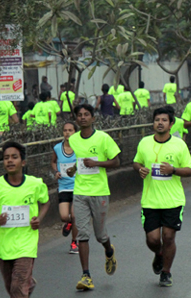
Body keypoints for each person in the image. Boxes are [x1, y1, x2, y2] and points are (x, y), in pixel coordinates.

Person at [132, 106, 191, 287]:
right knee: (152, 239)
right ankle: (159, 254)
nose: (160, 123)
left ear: (171, 124)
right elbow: (136, 162)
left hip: (173, 200)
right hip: (150, 200)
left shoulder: (179, 145)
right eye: (157, 120)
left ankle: (166, 272)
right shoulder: (144, 142)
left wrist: (173, 170)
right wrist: (140, 169)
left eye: (164, 120)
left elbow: (190, 170)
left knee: (168, 237)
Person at [0, 142, 50, 298]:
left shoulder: (35, 184)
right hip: (3, 245)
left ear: (23, 162)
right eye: (6, 158)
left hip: (26, 243)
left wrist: (38, 219)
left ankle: (24, 285)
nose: (10, 161)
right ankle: (29, 283)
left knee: (17, 289)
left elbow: (46, 202)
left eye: (14, 157)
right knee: (12, 287)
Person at [66, 104, 121, 291]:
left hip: (100, 192)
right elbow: (78, 161)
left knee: (100, 235)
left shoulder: (103, 138)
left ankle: (109, 250)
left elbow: (116, 161)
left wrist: (96, 163)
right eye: (79, 115)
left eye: (86, 114)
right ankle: (86, 275)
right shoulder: (73, 139)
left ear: (93, 118)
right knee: (82, 233)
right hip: (80, 192)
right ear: (76, 119)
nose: (82, 117)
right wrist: (73, 169)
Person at [50, 122, 79, 254]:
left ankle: (74, 242)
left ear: (75, 132)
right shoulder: (57, 148)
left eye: (70, 130)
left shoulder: (80, 147)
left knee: (74, 215)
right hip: (64, 186)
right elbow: (53, 162)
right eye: (65, 130)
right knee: (64, 216)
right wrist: (56, 171)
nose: (67, 133)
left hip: (78, 186)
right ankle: (68, 224)